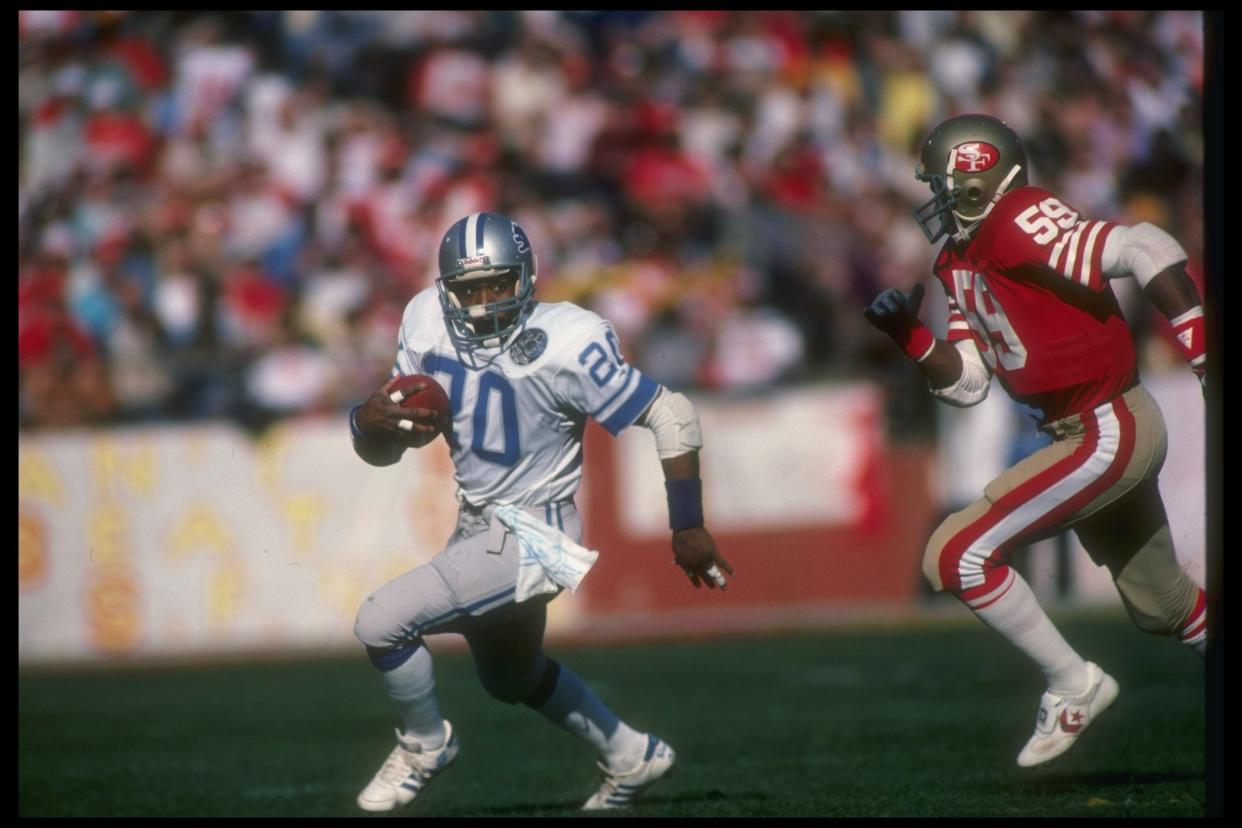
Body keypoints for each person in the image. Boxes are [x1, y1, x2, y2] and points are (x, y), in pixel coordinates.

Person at [348, 211, 734, 812]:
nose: (480, 304)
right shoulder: (425, 316)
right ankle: (631, 754)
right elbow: (390, 444)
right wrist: (364, 421)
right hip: (477, 523)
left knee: (381, 621)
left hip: (538, 532)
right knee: (510, 678)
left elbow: (672, 412)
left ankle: (424, 745)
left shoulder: (568, 339)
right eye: (467, 289)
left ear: (526, 278)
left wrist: (687, 522)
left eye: (495, 285)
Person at [863, 114, 1207, 768]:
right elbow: (968, 385)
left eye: (943, 183)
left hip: (1108, 425)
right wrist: (912, 338)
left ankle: (1074, 683)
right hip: (1078, 431)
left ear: (978, 180)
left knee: (956, 554)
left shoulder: (1020, 215)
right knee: (1167, 607)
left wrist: (1200, 351)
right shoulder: (954, 258)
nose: (934, 197)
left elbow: (1144, 246)